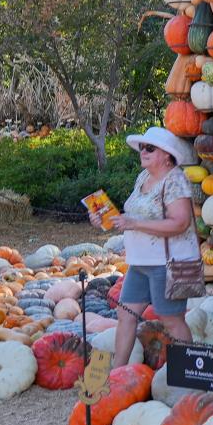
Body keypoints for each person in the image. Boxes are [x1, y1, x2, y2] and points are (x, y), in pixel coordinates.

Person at [87, 127, 197, 366]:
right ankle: (118, 374)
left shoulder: (175, 180)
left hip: (167, 263)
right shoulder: (143, 178)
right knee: (125, 314)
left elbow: (180, 223)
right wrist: (105, 219)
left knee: (171, 320)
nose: (143, 151)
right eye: (142, 147)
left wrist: (133, 223)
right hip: (140, 262)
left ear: (167, 155)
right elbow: (136, 215)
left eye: (150, 148)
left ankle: (190, 373)